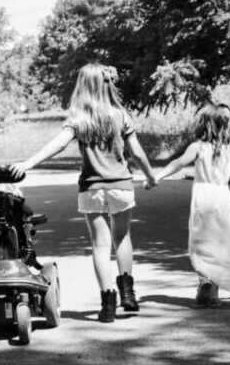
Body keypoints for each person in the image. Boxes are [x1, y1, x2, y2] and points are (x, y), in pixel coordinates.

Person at [10, 63, 157, 323]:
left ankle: (108, 304)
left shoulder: (79, 118)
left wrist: (28, 163)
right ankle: (128, 294)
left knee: (101, 245)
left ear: (83, 86)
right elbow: (137, 152)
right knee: (122, 238)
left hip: (91, 188)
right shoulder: (119, 115)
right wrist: (150, 175)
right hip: (121, 186)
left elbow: (57, 144)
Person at [153, 102, 230, 305]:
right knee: (221, 242)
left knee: (201, 241)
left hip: (203, 197)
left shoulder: (197, 147)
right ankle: (213, 290)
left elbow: (178, 163)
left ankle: (205, 282)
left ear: (205, 125)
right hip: (222, 198)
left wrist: (158, 176)